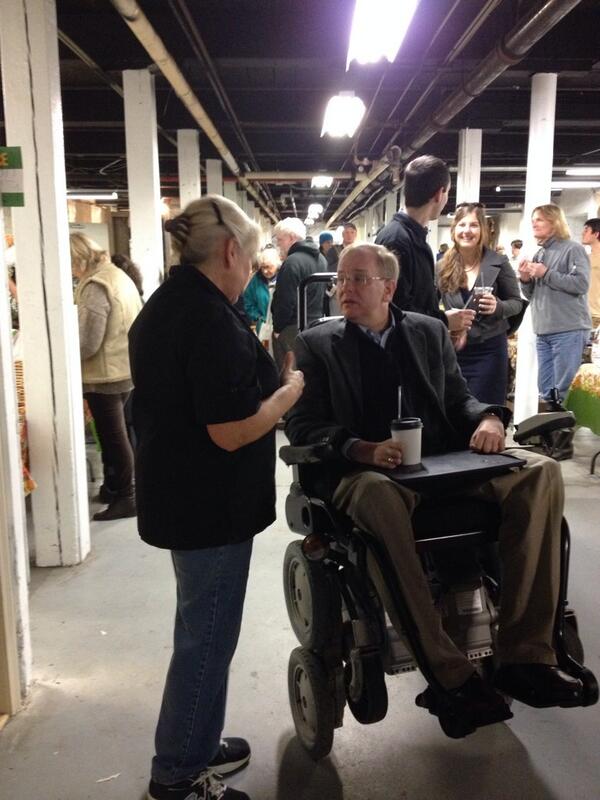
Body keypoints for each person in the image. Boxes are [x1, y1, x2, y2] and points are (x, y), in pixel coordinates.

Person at [286, 242, 583, 723]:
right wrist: (361, 448)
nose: (344, 289)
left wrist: (489, 417)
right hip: (364, 472)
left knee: (540, 472)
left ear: (388, 288)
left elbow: (457, 398)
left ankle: (526, 658)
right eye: (340, 279)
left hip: (441, 463)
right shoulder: (316, 345)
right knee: (379, 496)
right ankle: (450, 676)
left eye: (357, 279)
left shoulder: (427, 331)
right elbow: (303, 426)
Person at [128, 195, 304, 800]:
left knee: (202, 630)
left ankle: (196, 741)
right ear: (231, 251)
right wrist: (286, 395)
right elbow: (230, 430)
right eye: (251, 259)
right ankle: (177, 773)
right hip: (208, 507)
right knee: (206, 640)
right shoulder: (206, 318)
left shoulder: (172, 303)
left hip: (185, 499)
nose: (252, 270)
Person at [71, 233, 142, 520]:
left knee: (113, 438)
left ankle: (126, 496)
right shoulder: (116, 275)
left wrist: (64, 356)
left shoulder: (95, 285)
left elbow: (88, 342)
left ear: (78, 259)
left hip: (105, 374)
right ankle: (115, 488)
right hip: (123, 367)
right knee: (117, 435)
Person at [375, 154, 474, 338]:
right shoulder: (397, 240)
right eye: (447, 193)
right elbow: (395, 310)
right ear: (439, 194)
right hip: (404, 351)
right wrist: (444, 321)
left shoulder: (410, 237)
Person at [438, 203, 524, 404]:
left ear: (482, 229)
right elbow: (427, 308)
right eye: (462, 225)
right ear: (454, 229)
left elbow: (516, 303)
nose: (467, 231)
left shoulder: (499, 262)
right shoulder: (441, 267)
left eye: (474, 225)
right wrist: (445, 321)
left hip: (490, 351)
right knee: (454, 410)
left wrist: (498, 307)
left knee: (487, 411)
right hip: (453, 351)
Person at [518, 204, 591, 402]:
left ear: (554, 222)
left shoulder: (573, 249)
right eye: (533, 220)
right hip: (543, 331)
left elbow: (581, 284)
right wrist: (525, 279)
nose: (534, 224)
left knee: (563, 391)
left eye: (539, 219)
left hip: (568, 329)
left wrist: (546, 273)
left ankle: (563, 422)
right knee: (546, 391)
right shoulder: (539, 254)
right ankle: (550, 422)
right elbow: (532, 295)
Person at [271, 217, 326, 370]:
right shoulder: (321, 259)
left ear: (291, 238)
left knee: (288, 374)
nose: (278, 244)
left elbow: (285, 301)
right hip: (316, 325)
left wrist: (277, 329)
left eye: (280, 240)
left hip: (292, 329)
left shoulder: (291, 262)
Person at [242, 246, 280, 335]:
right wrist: (258, 317)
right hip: (263, 328)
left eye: (268, 267)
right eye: (263, 267)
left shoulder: (284, 277)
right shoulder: (256, 280)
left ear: (277, 264)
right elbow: (247, 302)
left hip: (280, 328)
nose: (265, 271)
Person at [582, 218, 600, 329]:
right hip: (584, 315)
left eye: (586, 230)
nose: (582, 233)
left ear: (596, 234)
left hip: (597, 316)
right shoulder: (585, 258)